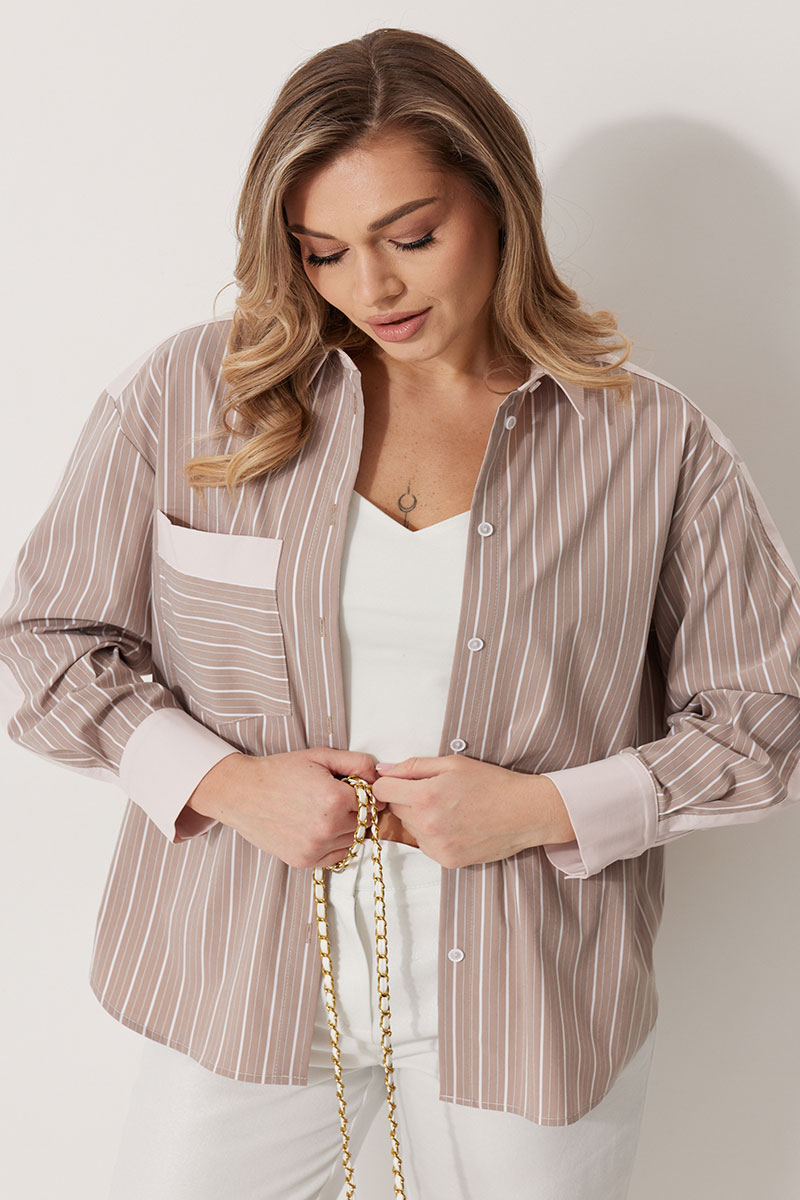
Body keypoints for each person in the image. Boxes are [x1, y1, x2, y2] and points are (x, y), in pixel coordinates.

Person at [1, 25, 799, 1200]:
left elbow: (762, 715)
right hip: (241, 983)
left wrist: (542, 810)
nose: (369, 289)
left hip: (526, 1002)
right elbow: (44, 642)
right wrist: (228, 784)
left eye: (410, 238)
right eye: (321, 252)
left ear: (497, 202)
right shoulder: (192, 399)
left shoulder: (648, 443)